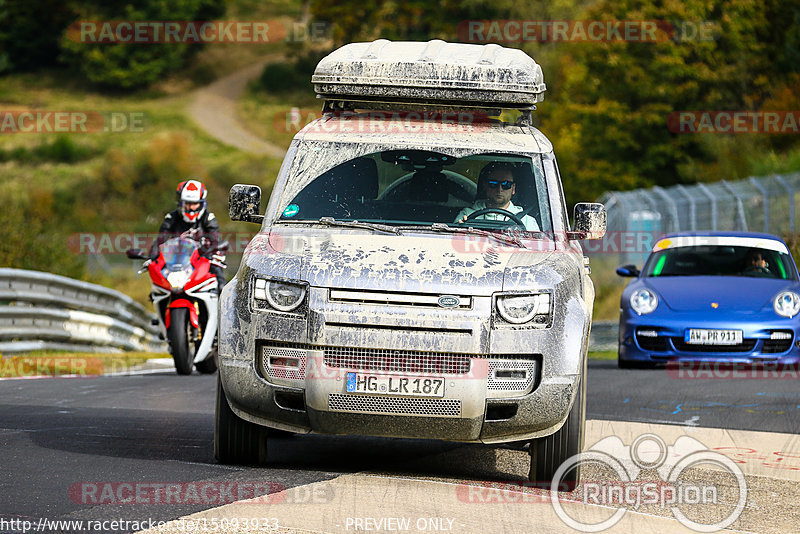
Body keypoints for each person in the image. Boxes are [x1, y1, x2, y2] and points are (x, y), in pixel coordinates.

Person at [153, 179, 226, 292]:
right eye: (187, 203)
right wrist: (152, 257)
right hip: (176, 263)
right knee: (156, 288)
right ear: (181, 203)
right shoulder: (171, 218)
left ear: (202, 203)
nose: (191, 207)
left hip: (202, 260)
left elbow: (215, 240)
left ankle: (221, 304)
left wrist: (214, 252)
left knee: (221, 285)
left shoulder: (208, 218)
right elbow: (160, 240)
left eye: (194, 203)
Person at [455, 162, 540, 231]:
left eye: (506, 184)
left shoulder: (527, 222)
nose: (499, 189)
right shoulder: (467, 215)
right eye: (493, 184)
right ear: (485, 186)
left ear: (513, 188)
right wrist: (461, 230)